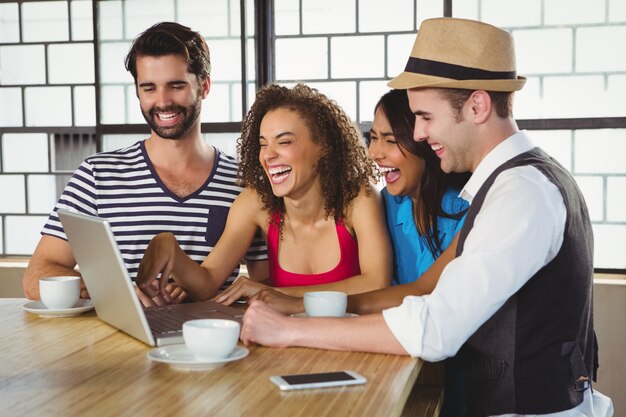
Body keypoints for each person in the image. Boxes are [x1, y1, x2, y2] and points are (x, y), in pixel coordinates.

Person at [240, 18, 613, 417]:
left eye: (426, 116)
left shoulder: (522, 193)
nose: (417, 133)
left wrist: (289, 329)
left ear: (477, 105)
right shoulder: (517, 182)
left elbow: (435, 327)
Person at [23, 22, 267, 306]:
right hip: (117, 343)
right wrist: (116, 292)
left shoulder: (244, 182)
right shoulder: (96, 176)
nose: (162, 102)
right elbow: (37, 276)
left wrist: (203, 288)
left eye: (176, 86)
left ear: (205, 86)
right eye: (149, 88)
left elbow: (266, 284)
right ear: (138, 92)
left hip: (212, 342)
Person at [135, 83, 392, 301]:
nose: (268, 155)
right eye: (262, 144)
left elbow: (376, 283)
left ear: (324, 147)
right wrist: (171, 248)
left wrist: (277, 294)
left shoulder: (358, 198)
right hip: (283, 346)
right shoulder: (255, 203)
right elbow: (207, 282)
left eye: (284, 142)